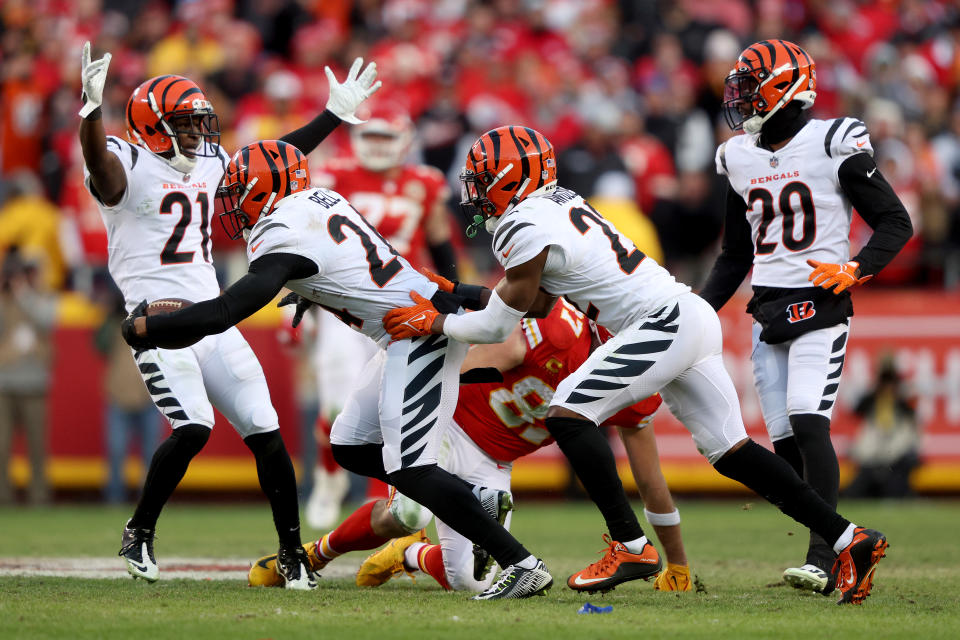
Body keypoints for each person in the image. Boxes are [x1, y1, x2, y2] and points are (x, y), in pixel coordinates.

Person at [383, 125, 889, 605]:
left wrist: (434, 322)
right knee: (731, 452)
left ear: (512, 179)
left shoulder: (521, 223)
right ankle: (850, 538)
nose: (475, 193)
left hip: (659, 322)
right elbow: (535, 304)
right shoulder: (556, 205)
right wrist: (457, 292)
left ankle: (628, 545)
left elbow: (497, 327)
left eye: (483, 181)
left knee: (566, 414)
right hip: (685, 315)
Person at [121, 139, 553, 601]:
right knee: (348, 445)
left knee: (410, 471)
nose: (235, 202)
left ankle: (522, 564)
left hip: (417, 332)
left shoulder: (282, 235)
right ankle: (466, 491)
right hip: (407, 321)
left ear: (264, 189)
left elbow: (224, 312)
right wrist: (314, 288)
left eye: (240, 189)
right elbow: (344, 262)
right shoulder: (321, 200)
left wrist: (148, 328)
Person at [78, 40, 380, 589]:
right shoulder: (125, 160)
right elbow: (101, 167)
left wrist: (332, 116)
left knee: (266, 431)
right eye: (185, 124)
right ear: (152, 125)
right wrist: (90, 113)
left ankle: (293, 553)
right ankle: (139, 530)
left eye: (199, 123)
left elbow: (274, 159)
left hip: (211, 317)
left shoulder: (208, 160)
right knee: (194, 427)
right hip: (159, 318)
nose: (197, 134)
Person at [248, 299, 693, 593]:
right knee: (410, 510)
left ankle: (409, 554)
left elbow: (650, 478)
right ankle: (314, 554)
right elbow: (488, 355)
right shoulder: (560, 330)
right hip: (447, 420)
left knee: (469, 581)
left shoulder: (636, 381)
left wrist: (678, 563)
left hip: (494, 461)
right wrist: (409, 411)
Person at [698, 39, 913, 595]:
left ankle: (827, 557)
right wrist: (695, 310)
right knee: (785, 448)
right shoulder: (738, 155)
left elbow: (895, 222)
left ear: (783, 88)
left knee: (808, 420)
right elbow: (735, 255)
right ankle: (839, 543)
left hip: (821, 304)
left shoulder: (832, 140)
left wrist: (856, 268)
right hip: (767, 309)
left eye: (750, 87)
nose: (740, 99)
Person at [305, 104, 461, 529]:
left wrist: (453, 292)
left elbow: (439, 241)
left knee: (391, 404)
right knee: (337, 397)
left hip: (403, 307)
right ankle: (328, 477)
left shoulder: (425, 182)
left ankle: (387, 494)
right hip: (344, 303)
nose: (375, 146)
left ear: (404, 141)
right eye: (369, 136)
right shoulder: (333, 176)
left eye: (384, 137)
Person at [0, 248, 56, 505]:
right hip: (4, 384)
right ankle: (4, 496)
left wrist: (24, 294)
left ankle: (39, 497)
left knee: (37, 446)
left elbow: (47, 319)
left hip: (34, 384)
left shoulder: (39, 297)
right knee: (1, 447)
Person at [845, 358, 920, 499]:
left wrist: (899, 393)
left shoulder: (901, 401)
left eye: (891, 382)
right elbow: (857, 410)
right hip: (874, 451)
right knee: (863, 477)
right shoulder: (873, 399)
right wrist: (876, 390)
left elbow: (912, 417)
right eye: (885, 382)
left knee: (896, 479)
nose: (888, 386)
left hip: (895, 450)